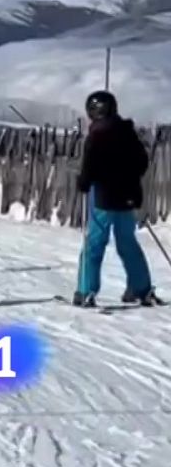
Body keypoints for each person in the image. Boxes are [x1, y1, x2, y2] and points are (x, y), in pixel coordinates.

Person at [73, 90, 161, 307]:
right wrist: (127, 179)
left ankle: (86, 290)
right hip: (127, 196)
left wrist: (83, 182)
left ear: (93, 111)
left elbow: (89, 167)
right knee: (127, 243)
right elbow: (142, 162)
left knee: (95, 243)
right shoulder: (127, 132)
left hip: (103, 197)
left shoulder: (97, 135)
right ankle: (141, 289)